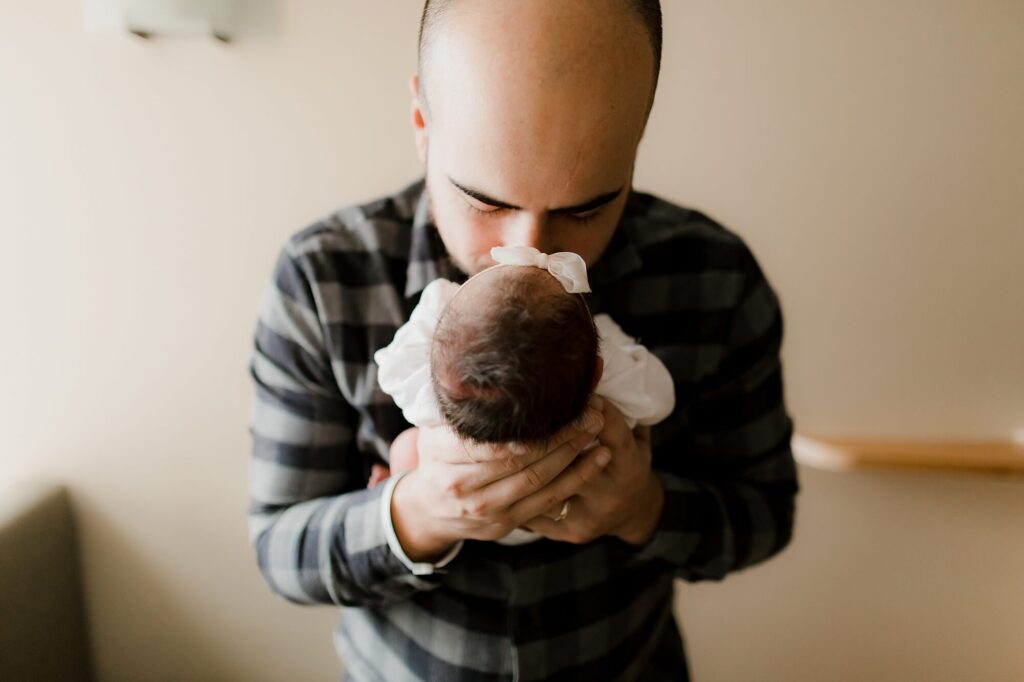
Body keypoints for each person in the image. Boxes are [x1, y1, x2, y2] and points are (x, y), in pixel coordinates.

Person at [247, 1, 799, 680]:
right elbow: (279, 549)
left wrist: (642, 508)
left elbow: (764, 515)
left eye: (585, 208)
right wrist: (419, 511)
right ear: (423, 124)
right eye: (486, 201)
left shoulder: (713, 279)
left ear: (636, 141)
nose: (530, 252)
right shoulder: (323, 278)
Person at [366, 246, 676, 550]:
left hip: (473, 513)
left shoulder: (427, 388)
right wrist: (620, 355)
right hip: (562, 503)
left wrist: (438, 298)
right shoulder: (608, 371)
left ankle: (393, 481)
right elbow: (660, 400)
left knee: (407, 447)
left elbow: (391, 369)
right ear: (596, 371)